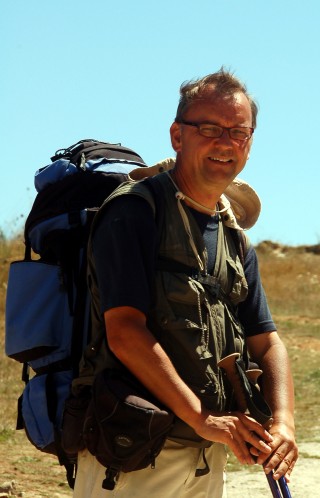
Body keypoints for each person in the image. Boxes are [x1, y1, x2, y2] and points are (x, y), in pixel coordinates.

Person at [72, 68, 298, 497]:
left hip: (204, 454)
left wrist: (282, 420)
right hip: (132, 452)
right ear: (177, 136)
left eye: (239, 132)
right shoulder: (136, 211)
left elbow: (267, 342)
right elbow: (124, 331)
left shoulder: (233, 237)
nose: (226, 142)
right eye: (210, 128)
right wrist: (200, 416)